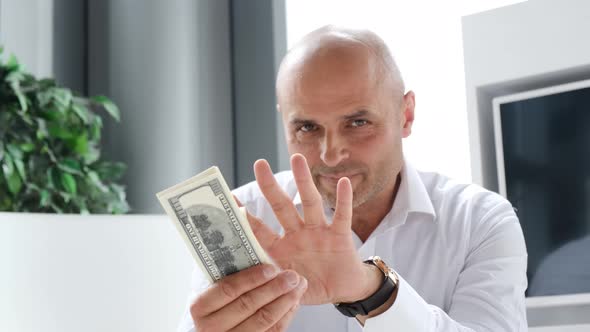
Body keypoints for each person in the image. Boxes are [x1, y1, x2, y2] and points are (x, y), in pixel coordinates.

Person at [177, 25, 528, 332]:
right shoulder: (243, 219)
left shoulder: (480, 222)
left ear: (406, 115)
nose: (331, 154)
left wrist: (371, 290)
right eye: (307, 127)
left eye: (357, 123)